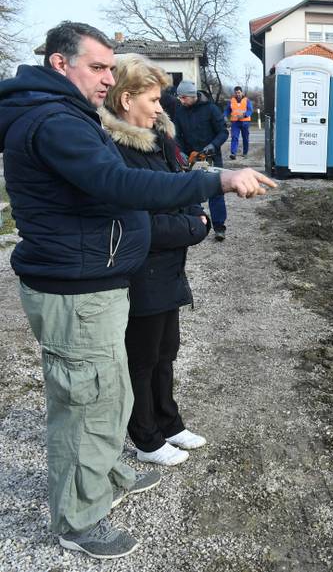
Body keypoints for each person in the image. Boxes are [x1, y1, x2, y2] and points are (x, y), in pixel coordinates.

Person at [0, 21, 275, 560]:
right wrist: (215, 179)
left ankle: (107, 477)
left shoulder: (65, 114)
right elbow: (120, 185)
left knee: (112, 393)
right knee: (87, 407)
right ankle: (77, 522)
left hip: (97, 282)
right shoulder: (55, 121)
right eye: (98, 67)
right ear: (61, 64)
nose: (107, 78)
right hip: (76, 291)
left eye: (109, 66)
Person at [99, 55, 209, 468]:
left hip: (168, 270)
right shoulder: (115, 151)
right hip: (139, 275)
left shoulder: (161, 141)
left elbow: (183, 190)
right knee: (141, 358)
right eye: (153, 98)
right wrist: (194, 228)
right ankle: (144, 436)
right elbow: (139, 223)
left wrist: (194, 217)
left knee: (167, 351)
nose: (161, 107)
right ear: (126, 100)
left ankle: (169, 421)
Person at [174, 80, 229, 241]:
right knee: (192, 191)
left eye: (184, 98)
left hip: (211, 157)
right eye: (180, 98)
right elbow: (178, 135)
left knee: (216, 192)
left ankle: (219, 228)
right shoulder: (180, 112)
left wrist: (213, 145)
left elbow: (223, 132)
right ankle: (194, 224)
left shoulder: (211, 109)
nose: (181, 101)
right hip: (191, 157)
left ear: (192, 96)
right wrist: (182, 152)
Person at [225, 85, 253, 160]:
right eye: (236, 93)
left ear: (242, 92)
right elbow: (227, 110)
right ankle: (233, 153)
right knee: (234, 137)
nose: (238, 94)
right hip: (235, 122)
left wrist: (244, 115)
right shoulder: (231, 101)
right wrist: (224, 116)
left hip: (245, 122)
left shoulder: (247, 100)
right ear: (235, 93)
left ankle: (245, 153)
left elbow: (250, 110)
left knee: (245, 138)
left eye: (239, 92)